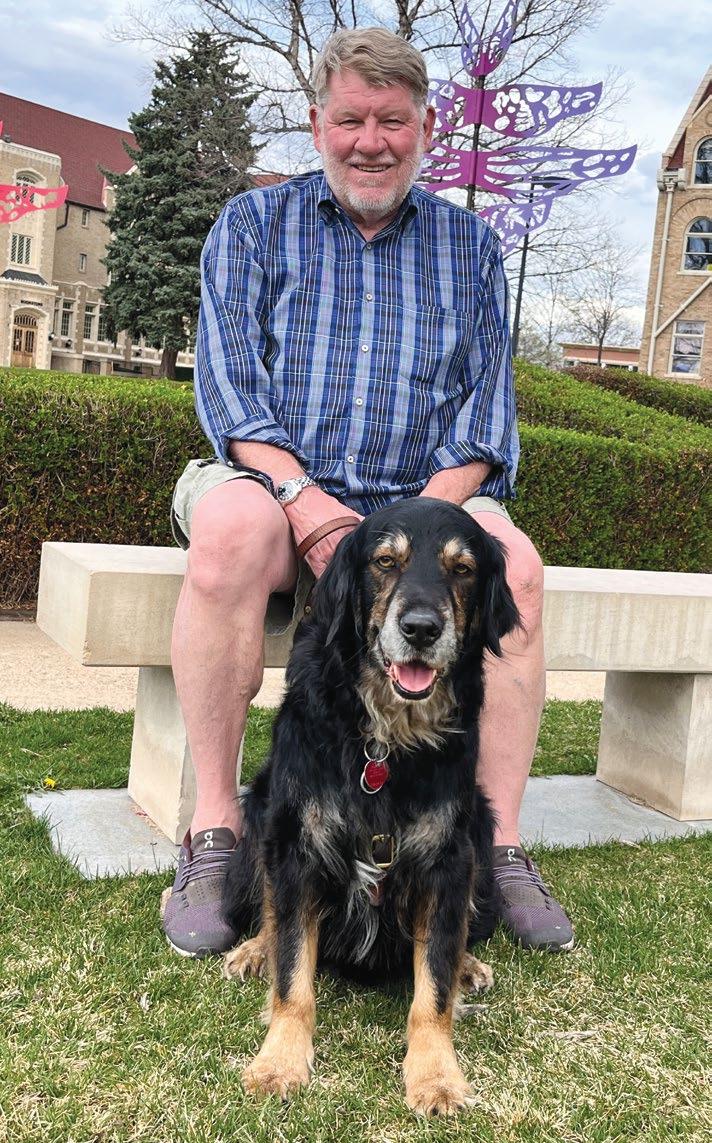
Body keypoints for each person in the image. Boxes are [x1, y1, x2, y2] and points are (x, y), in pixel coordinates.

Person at [163, 27, 574, 958]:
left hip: (426, 493)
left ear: (426, 129)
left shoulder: (472, 248)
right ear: (318, 124)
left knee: (517, 566)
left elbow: (484, 419)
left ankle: (497, 844)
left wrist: (410, 530)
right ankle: (216, 827)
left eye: (393, 121)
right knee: (228, 530)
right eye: (351, 119)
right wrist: (308, 505)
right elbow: (231, 397)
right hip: (274, 483)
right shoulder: (250, 226)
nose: (371, 142)